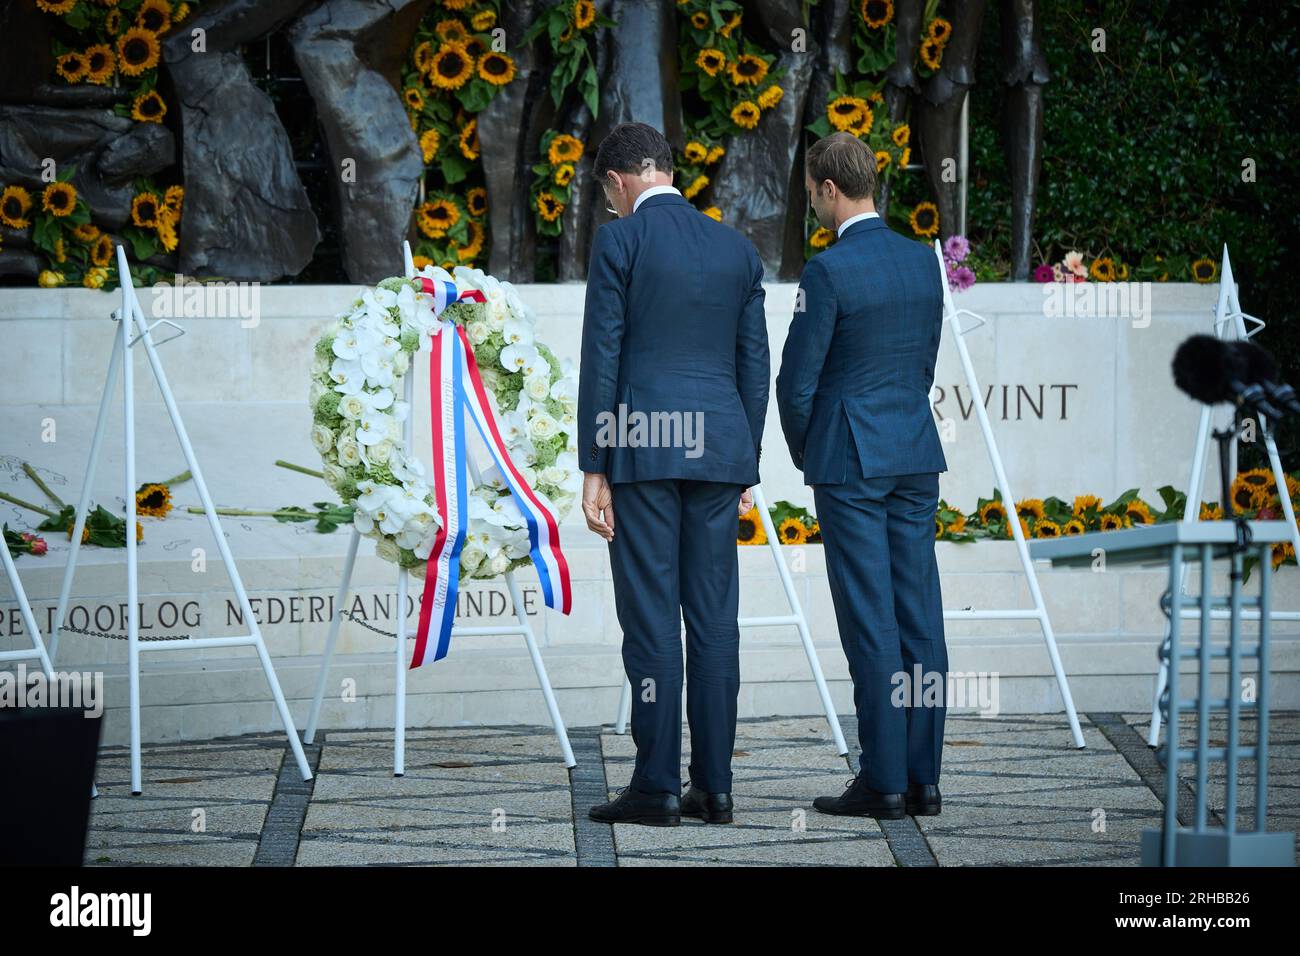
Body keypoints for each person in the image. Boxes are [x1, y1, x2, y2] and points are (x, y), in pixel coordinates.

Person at [578, 122, 769, 827]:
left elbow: (603, 353)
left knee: (653, 619)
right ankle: (714, 788)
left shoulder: (620, 240)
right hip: (720, 449)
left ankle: (656, 785)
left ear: (619, 181)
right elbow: (756, 363)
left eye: (609, 195)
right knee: (716, 622)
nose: (611, 206)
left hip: (643, 447)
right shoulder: (736, 247)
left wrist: (594, 465)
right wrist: (745, 456)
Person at [776, 132, 949, 820]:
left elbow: (797, 383)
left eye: (811, 191)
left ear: (827, 188)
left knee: (869, 620)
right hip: (912, 450)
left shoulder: (828, 271)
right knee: (920, 618)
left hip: (850, 459)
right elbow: (924, 366)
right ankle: (923, 777)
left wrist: (807, 452)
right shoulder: (920, 262)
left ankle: (883, 780)